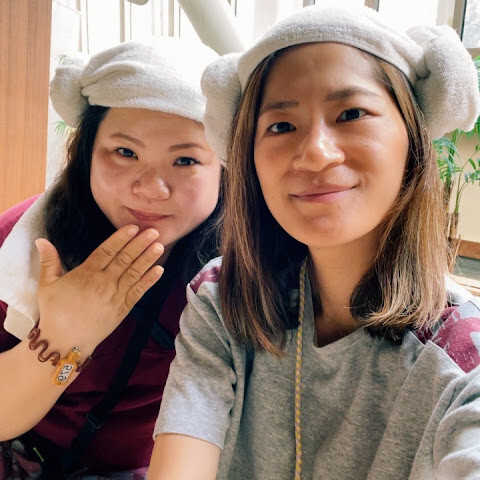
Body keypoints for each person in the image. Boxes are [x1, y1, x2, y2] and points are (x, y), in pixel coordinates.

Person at [148, 4, 480, 480]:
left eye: (351, 113)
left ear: (413, 138)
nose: (315, 153)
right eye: (281, 126)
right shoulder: (223, 299)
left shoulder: (464, 355)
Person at [0, 37, 222, 479]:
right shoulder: (23, 244)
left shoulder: (240, 270)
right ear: (85, 154)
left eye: (185, 160)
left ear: (226, 168)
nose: (152, 189)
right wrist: (64, 336)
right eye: (125, 152)